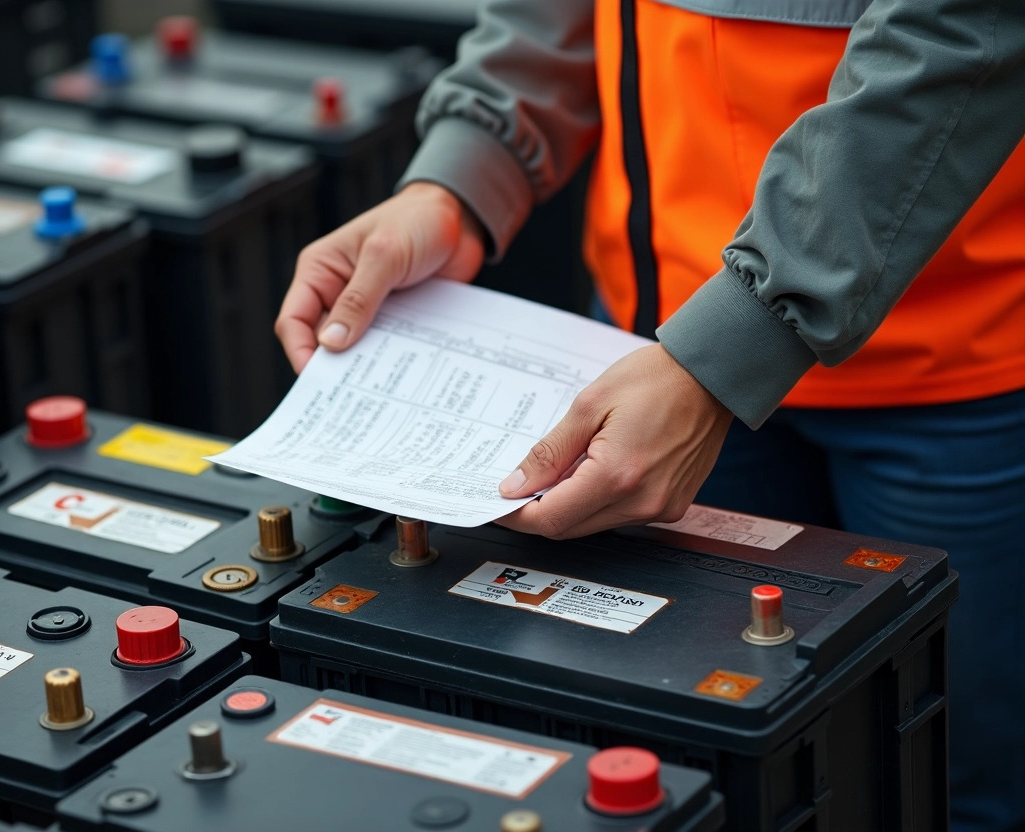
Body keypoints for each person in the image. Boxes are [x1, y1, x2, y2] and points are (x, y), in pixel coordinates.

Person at [275, 0, 1025, 829]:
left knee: (949, 781)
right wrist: (458, 177)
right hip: (655, 360)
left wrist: (740, 334)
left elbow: (959, 31)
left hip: (956, 355)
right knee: (706, 766)